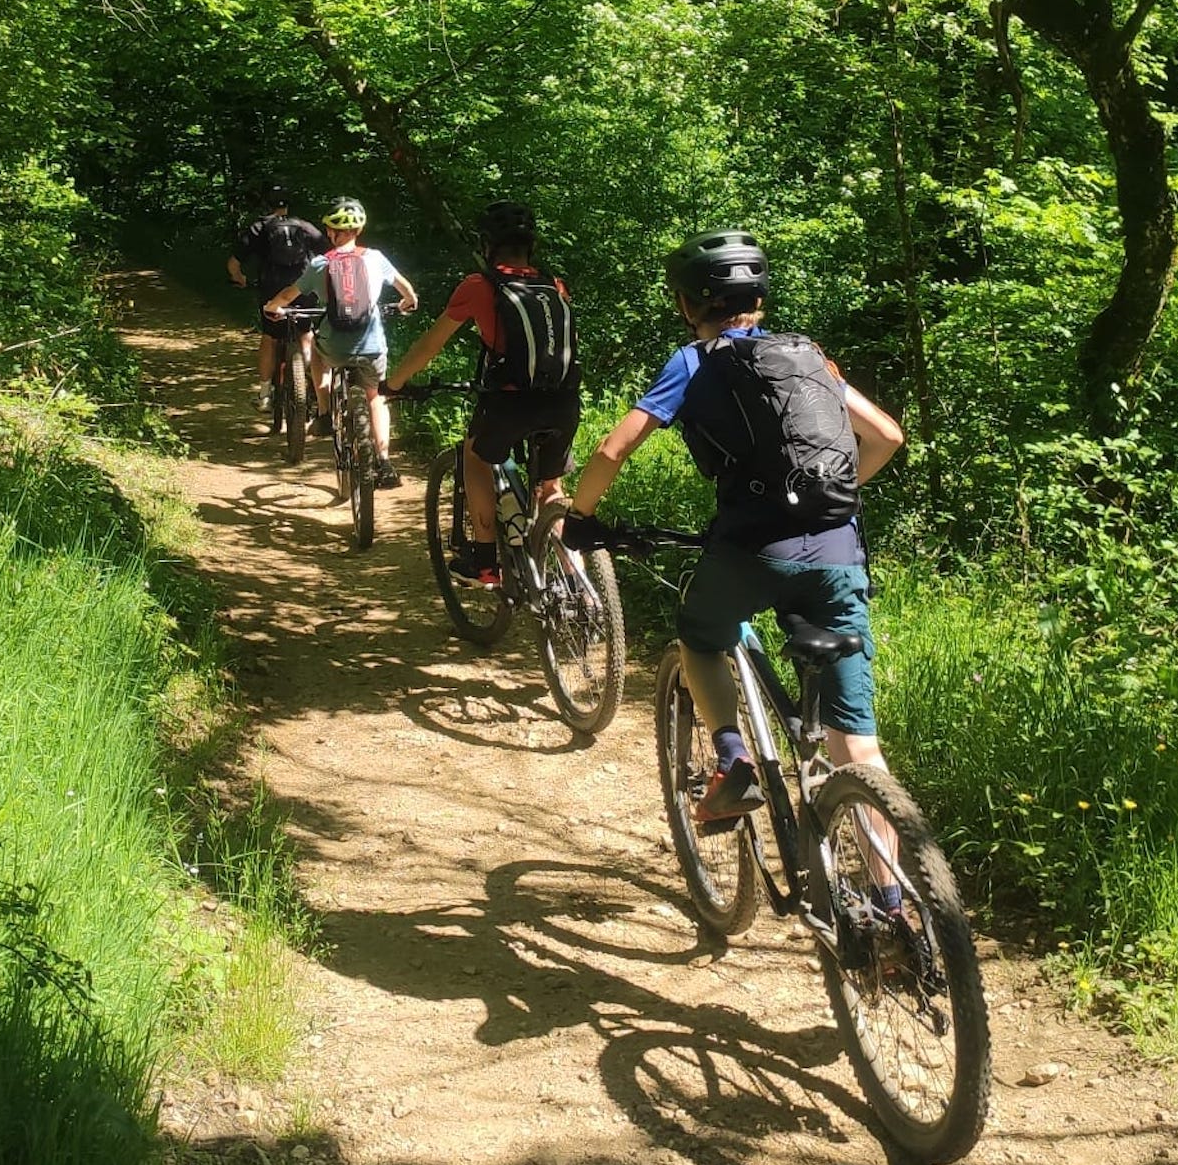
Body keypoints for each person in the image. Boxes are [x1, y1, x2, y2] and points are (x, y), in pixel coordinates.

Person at [559, 230, 905, 827]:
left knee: (700, 634)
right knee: (859, 745)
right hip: (837, 550)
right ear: (759, 299)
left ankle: (731, 757)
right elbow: (887, 436)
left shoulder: (693, 360)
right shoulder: (809, 356)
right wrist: (829, 500)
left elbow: (614, 450)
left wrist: (581, 518)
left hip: (751, 550)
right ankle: (896, 905)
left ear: (688, 304)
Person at [387, 200, 579, 584]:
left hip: (510, 403)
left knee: (474, 456)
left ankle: (485, 560)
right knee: (552, 487)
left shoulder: (480, 286)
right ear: (531, 245)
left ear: (487, 244)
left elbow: (430, 345)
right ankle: (576, 580)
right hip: (563, 401)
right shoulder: (554, 285)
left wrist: (393, 384)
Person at [264, 197, 418, 489]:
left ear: (333, 233)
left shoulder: (321, 264)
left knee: (317, 353)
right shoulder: (375, 258)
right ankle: (384, 462)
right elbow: (405, 287)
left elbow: (288, 294)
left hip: (334, 347)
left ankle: (323, 413)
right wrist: (408, 302)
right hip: (372, 346)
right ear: (358, 230)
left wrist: (272, 306)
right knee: (376, 398)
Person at [228, 186, 326, 412]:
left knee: (270, 337)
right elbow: (329, 253)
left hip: (271, 289)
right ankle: (309, 386)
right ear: (288, 204)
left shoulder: (259, 227)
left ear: (267, 204)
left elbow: (233, 263)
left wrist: (239, 278)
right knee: (305, 332)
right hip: (303, 287)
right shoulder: (303, 226)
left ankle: (264, 395)